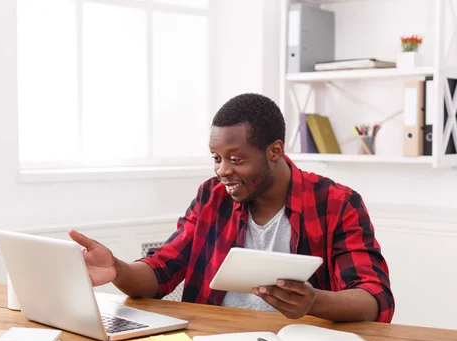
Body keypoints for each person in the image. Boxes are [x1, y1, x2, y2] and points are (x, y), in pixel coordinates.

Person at [69, 93, 394, 323]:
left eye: (236, 159)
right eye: (216, 157)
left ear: (274, 151)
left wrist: (313, 302)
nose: (222, 170)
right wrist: (116, 268)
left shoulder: (336, 203)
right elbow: (160, 271)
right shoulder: (212, 197)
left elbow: (374, 298)